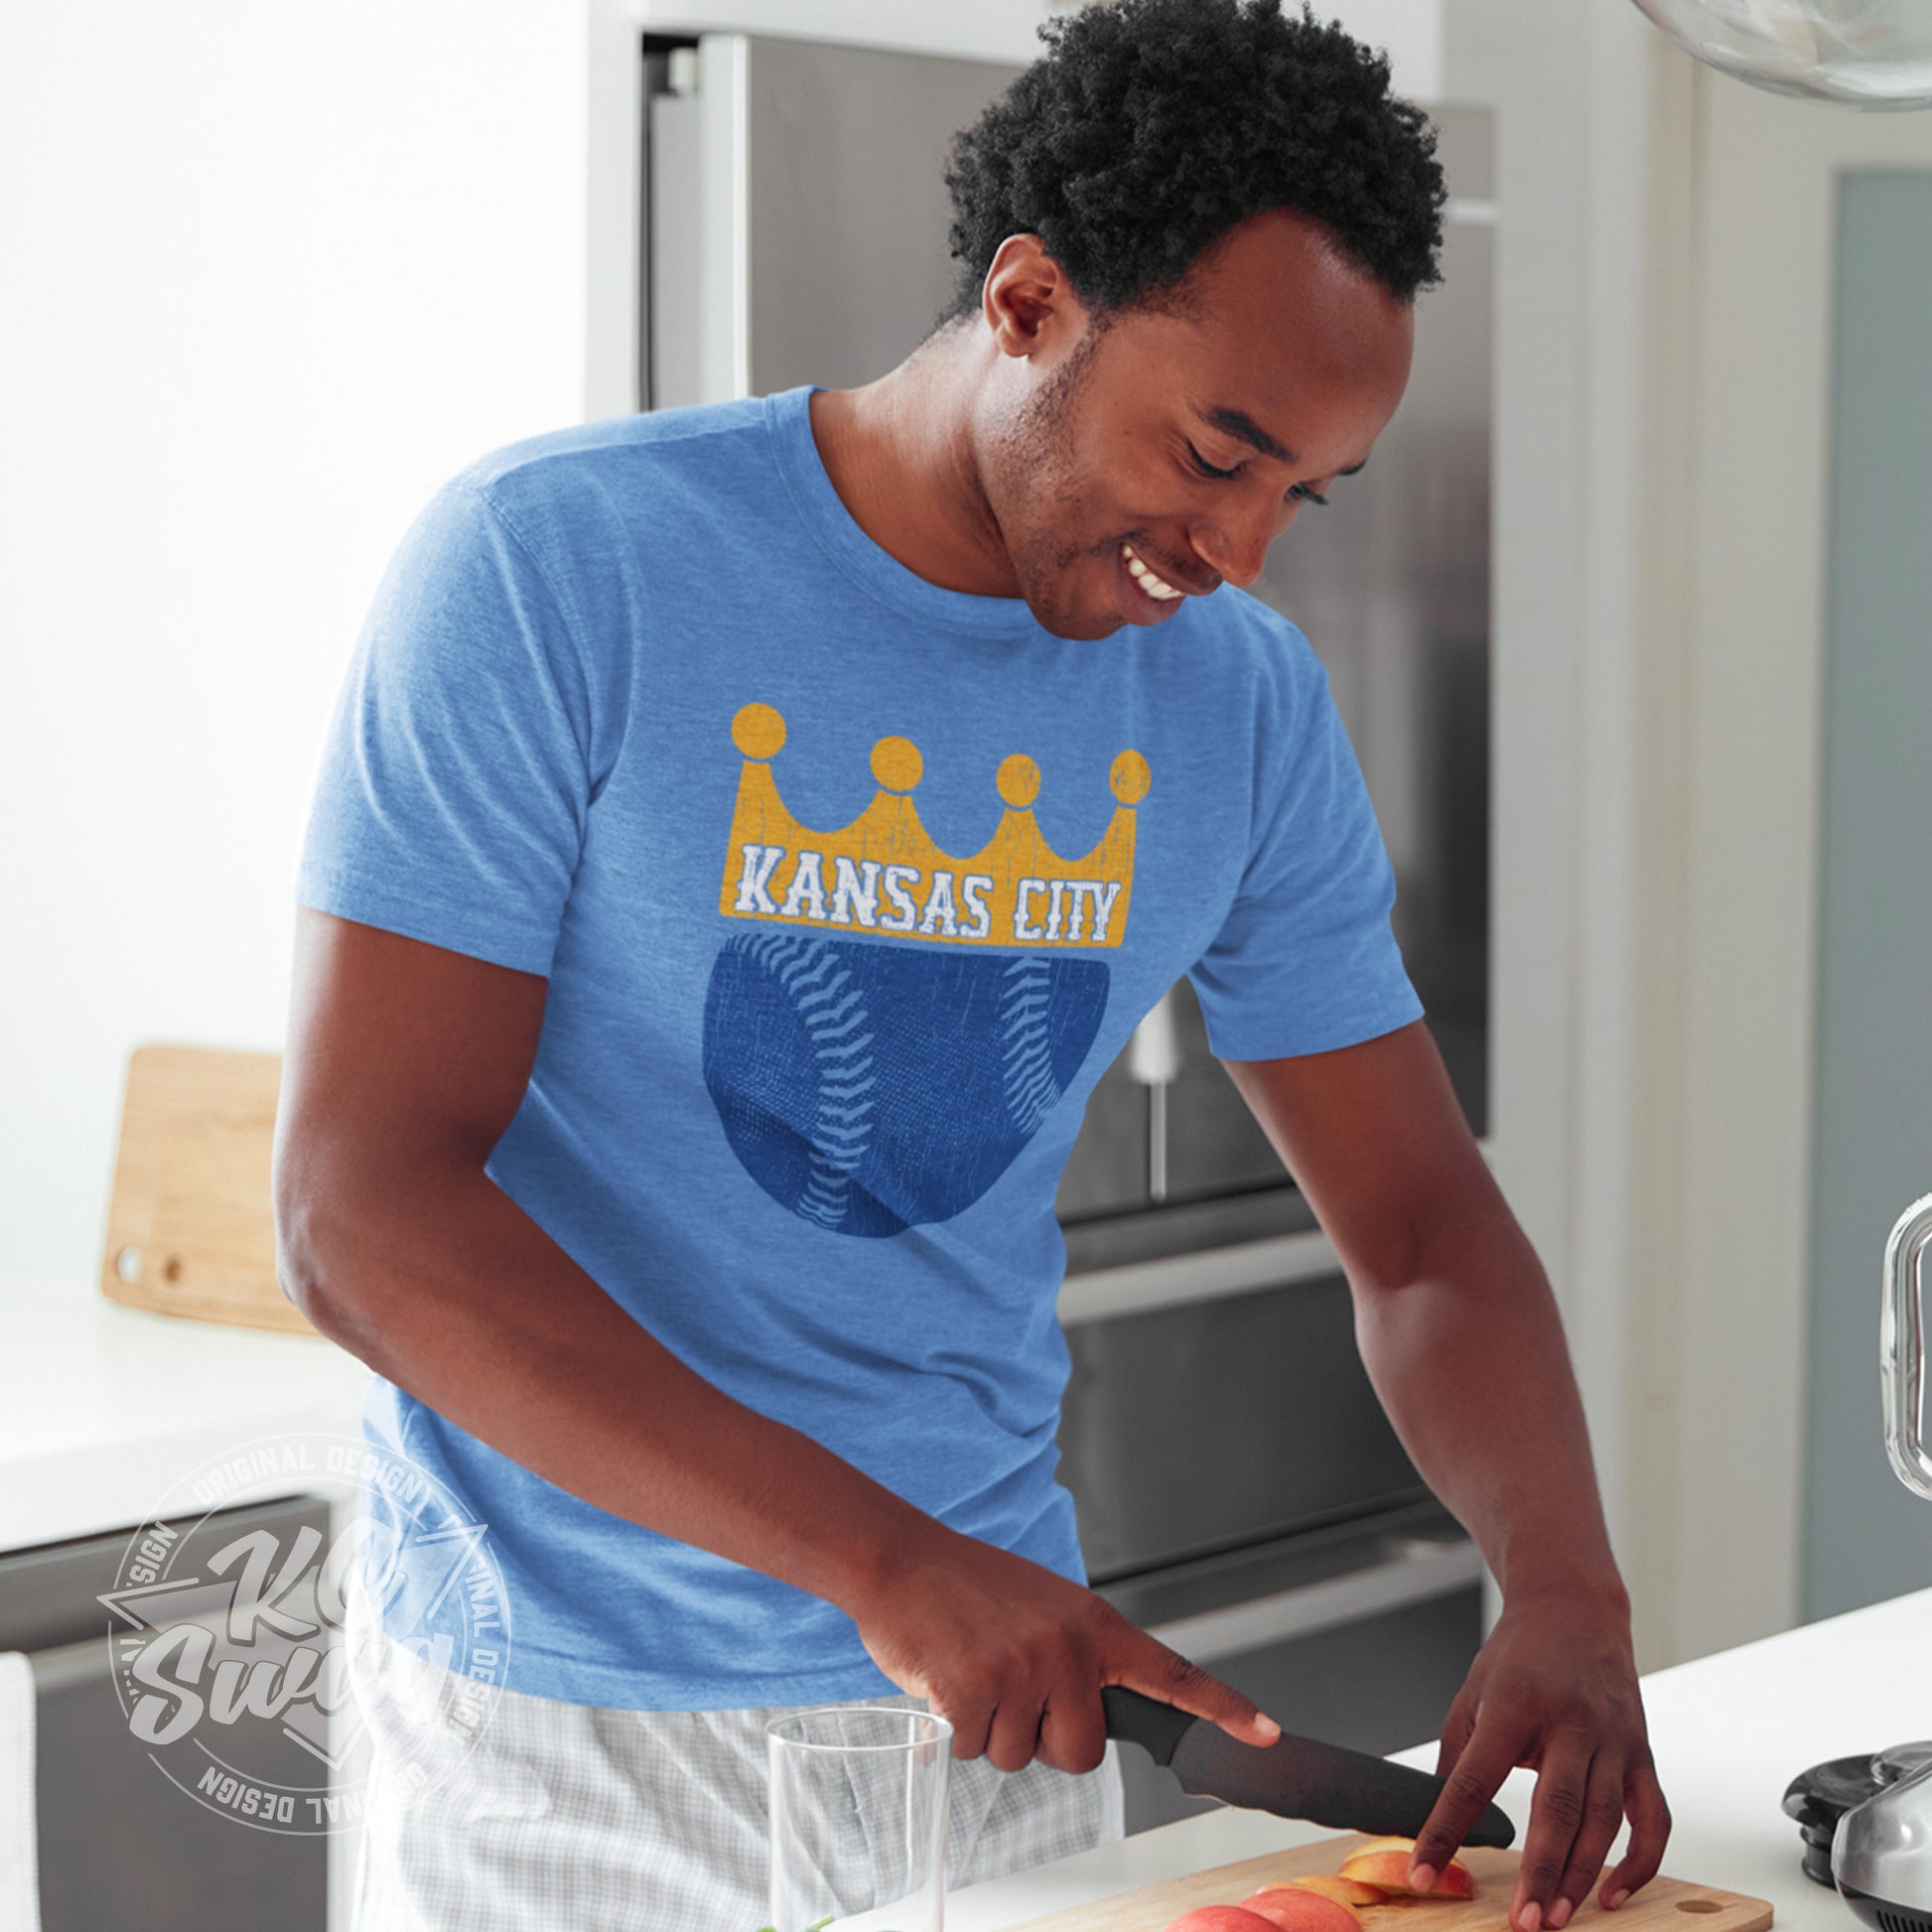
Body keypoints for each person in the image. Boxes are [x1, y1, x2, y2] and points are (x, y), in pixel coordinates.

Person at [273, 1, 1671, 1926]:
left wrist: (1572, 1596)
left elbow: (1421, 1227)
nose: (1244, 548)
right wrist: (881, 1560)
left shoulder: (1240, 710)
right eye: (1216, 451)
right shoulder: (553, 567)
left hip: (1004, 1730)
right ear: (1025, 300)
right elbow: (360, 1211)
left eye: (1301, 493)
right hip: (554, 1730)